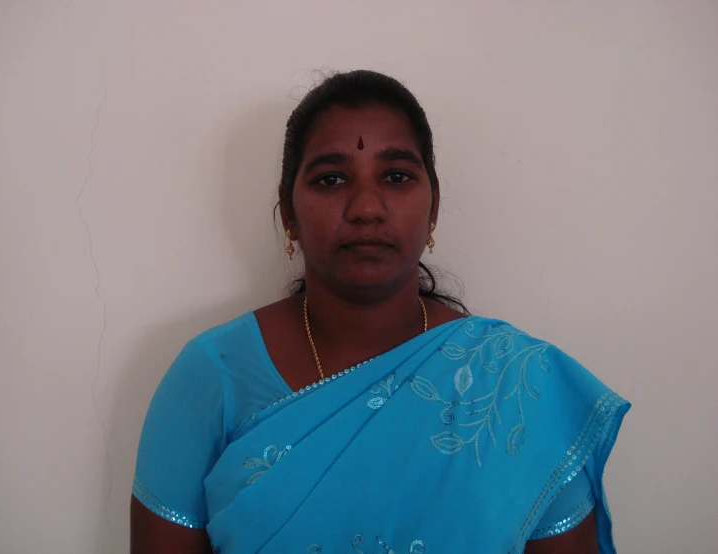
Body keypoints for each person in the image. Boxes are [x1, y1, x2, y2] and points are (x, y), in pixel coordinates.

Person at [130, 70, 630, 554]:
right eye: (330, 179)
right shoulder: (210, 379)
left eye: (395, 176)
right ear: (289, 213)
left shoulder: (517, 387)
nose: (366, 207)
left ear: (432, 207)